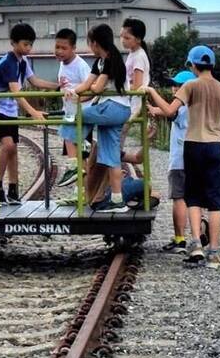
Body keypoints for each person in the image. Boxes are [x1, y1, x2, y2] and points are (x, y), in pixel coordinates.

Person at [146, 46, 220, 269]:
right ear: (213, 65)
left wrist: (150, 92)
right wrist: (217, 125)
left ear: (193, 65)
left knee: (194, 197)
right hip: (215, 145)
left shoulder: (190, 85)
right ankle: (214, 254)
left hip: (193, 145)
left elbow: (169, 111)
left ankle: (196, 245)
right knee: (216, 202)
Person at [0, 23, 58, 205]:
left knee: (14, 150)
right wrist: (33, 112)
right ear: (13, 43)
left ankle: (13, 189)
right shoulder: (8, 62)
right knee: (8, 146)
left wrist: (58, 86)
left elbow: (35, 81)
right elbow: (16, 92)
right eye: (25, 44)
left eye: (30, 44)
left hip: (8, 110)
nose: (28, 48)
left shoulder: (23, 62)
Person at [64, 24, 132, 214]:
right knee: (111, 157)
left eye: (89, 42)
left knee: (71, 118)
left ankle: (73, 166)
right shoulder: (100, 61)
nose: (90, 46)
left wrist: (88, 90)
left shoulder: (110, 59)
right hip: (116, 109)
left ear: (95, 42)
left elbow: (97, 88)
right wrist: (73, 93)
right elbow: (87, 85)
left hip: (113, 108)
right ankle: (118, 201)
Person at [147, 70, 195, 254]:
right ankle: (198, 237)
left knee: (179, 199)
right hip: (194, 159)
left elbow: (170, 112)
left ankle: (180, 239)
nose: (175, 88)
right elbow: (167, 110)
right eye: (174, 84)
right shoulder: (195, 106)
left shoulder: (184, 107)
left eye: (179, 85)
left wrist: (151, 93)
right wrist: (153, 110)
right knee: (196, 200)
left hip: (180, 161)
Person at [54, 28, 91, 188]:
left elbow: (93, 89)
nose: (59, 51)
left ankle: (83, 189)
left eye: (64, 48)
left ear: (73, 48)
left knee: (80, 155)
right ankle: (80, 191)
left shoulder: (81, 65)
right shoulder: (63, 65)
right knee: (77, 154)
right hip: (70, 112)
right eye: (57, 47)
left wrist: (78, 98)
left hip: (81, 113)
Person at [120, 18, 151, 121]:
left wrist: (120, 88)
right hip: (131, 98)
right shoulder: (133, 53)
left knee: (122, 131)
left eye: (127, 38)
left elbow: (137, 85)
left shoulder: (139, 56)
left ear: (138, 39)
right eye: (122, 37)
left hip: (135, 100)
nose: (123, 40)